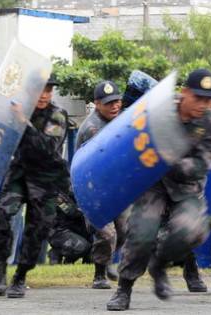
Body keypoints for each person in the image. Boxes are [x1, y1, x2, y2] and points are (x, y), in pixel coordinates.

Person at [106, 69, 211, 311]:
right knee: (142, 234)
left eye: (208, 100)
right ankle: (124, 288)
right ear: (185, 92)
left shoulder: (210, 122)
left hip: (187, 187)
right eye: (198, 98)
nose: (203, 105)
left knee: (193, 231)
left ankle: (159, 265)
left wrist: (173, 161)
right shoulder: (160, 111)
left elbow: (204, 163)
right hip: (154, 184)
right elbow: (133, 138)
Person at [0, 75, 68, 298]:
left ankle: (20, 277)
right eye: (40, 89)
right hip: (20, 173)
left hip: (46, 179)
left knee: (36, 230)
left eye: (49, 90)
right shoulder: (15, 110)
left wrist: (22, 122)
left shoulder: (57, 115)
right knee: (1, 214)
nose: (44, 95)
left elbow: (46, 148)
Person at [75, 80, 127, 289]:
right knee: (106, 233)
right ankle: (99, 274)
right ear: (97, 104)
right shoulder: (93, 129)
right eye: (108, 103)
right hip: (93, 189)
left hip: (115, 186)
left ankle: (108, 262)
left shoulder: (120, 119)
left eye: (117, 101)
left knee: (123, 229)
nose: (114, 106)